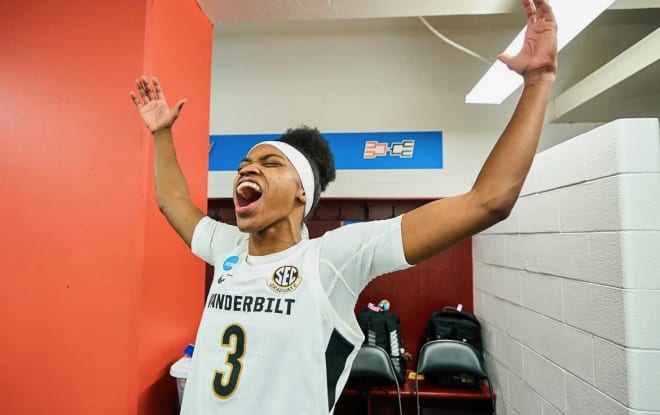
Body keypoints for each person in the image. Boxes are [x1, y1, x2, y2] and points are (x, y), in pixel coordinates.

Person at [130, 1, 557, 413]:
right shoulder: (228, 250)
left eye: (269, 162)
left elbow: (488, 202)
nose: (247, 170)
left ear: (303, 193)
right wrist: (162, 135)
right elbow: (172, 201)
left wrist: (537, 81)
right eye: (243, 164)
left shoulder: (331, 258)